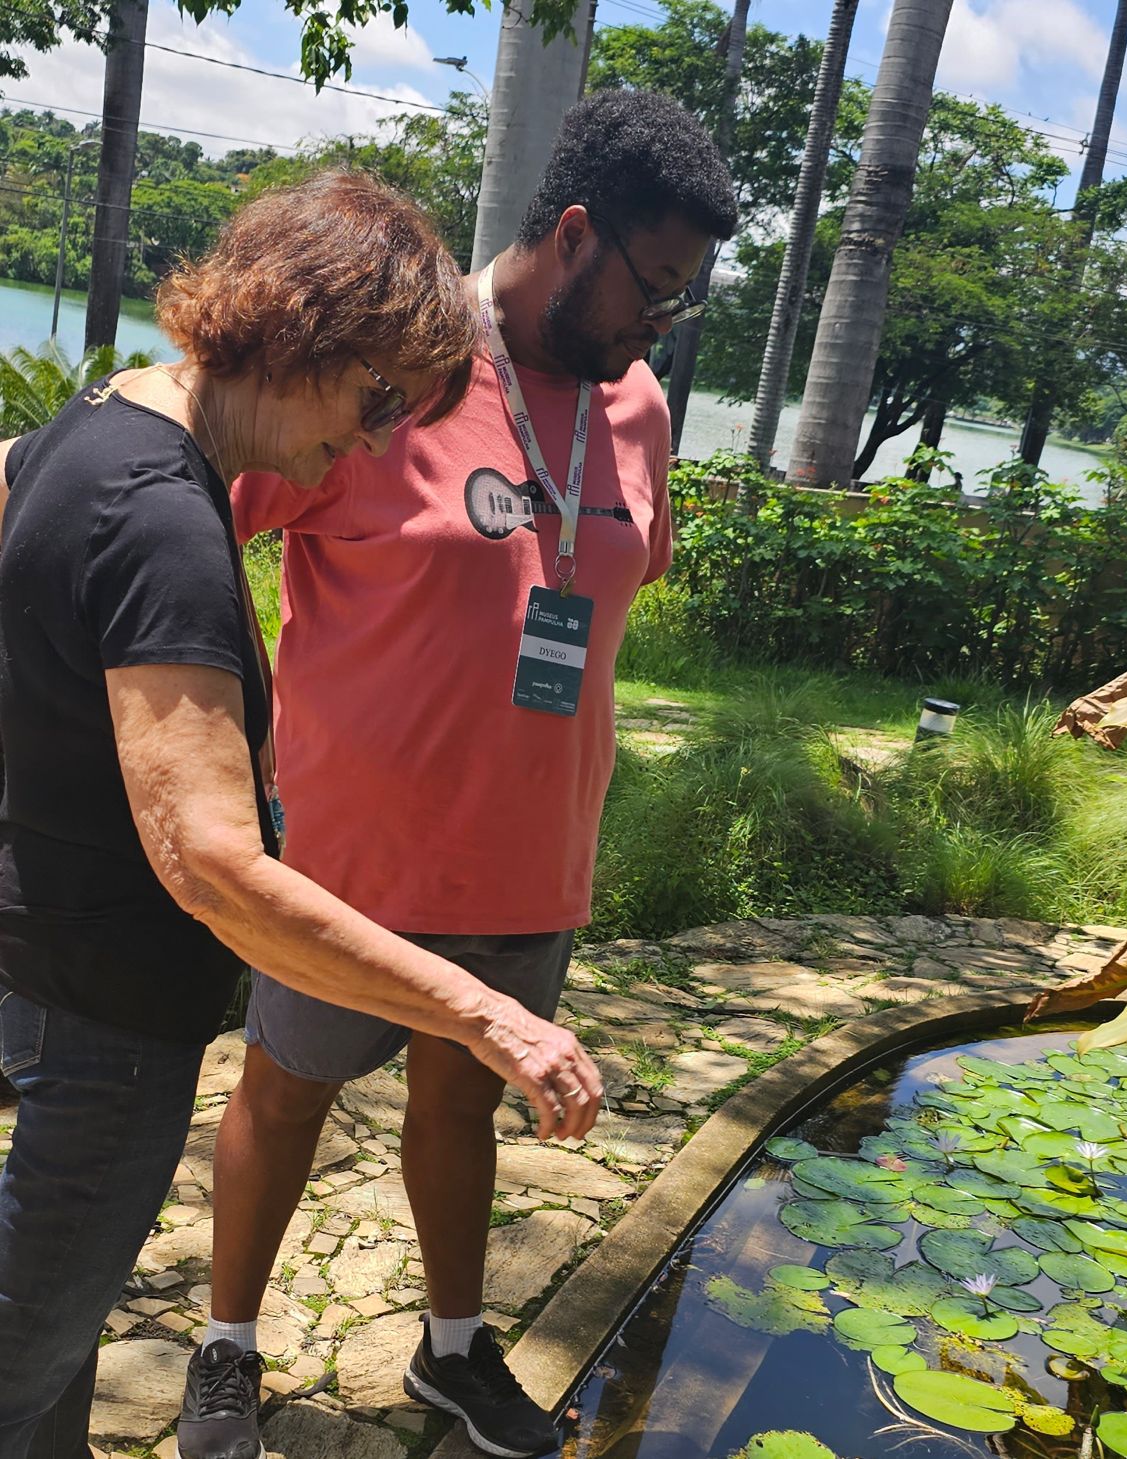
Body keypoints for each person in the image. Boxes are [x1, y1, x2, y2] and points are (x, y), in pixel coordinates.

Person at [0, 171, 603, 1459]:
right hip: (108, 1018)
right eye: (376, 396)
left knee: (50, 1366)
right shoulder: (164, 518)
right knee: (16, 1360)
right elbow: (212, 867)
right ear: (296, 331)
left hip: (51, 972)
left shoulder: (91, 432)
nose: (381, 442)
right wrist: (488, 1014)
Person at [186, 91, 738, 1459]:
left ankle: (450, 1350)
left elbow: (614, 575)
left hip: (531, 854)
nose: (656, 325)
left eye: (681, 302)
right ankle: (225, 1346)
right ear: (571, 233)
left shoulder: (641, 409)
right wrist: (237, 710)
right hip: (350, 859)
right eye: (650, 289)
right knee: (284, 1088)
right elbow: (198, 515)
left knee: (463, 1101)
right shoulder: (404, 370)